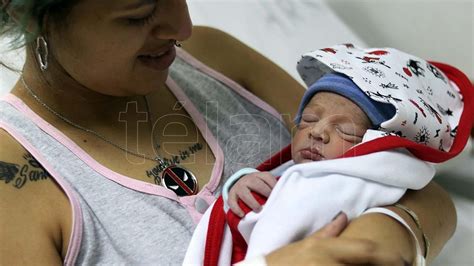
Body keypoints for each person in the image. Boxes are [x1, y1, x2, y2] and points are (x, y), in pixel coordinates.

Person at [0, 1, 464, 265]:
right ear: (30, 16)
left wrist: (393, 233)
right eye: (139, 13)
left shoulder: (216, 56)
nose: (181, 26)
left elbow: (424, 192)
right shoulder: (15, 183)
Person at [183, 44, 472, 265]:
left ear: (377, 145)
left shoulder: (363, 179)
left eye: (346, 130)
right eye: (307, 119)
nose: (316, 132)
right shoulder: (296, 170)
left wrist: (394, 232)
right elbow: (272, 195)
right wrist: (243, 183)